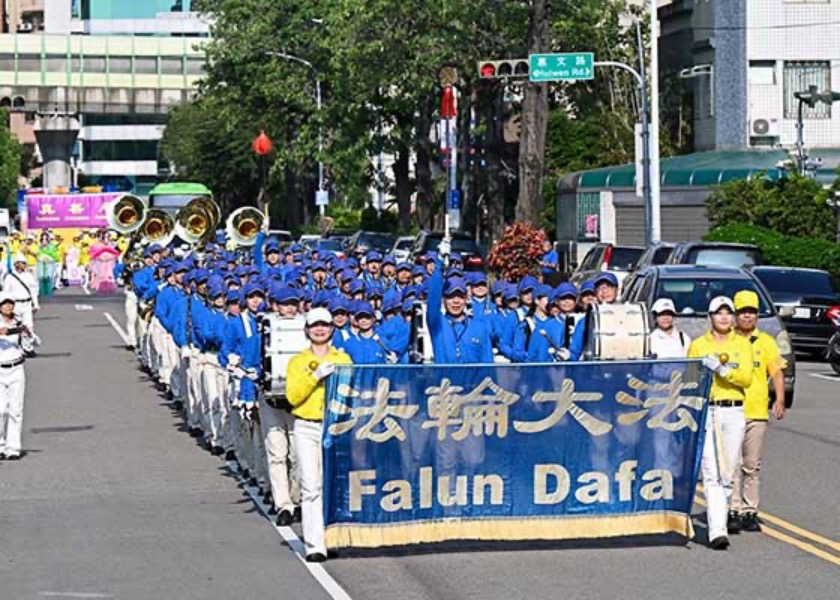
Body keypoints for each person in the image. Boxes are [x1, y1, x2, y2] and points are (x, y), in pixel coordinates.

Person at [688, 296, 754, 550]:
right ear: (710, 317)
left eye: (728, 313)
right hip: (709, 410)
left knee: (728, 472)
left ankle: (721, 518)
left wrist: (723, 371)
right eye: (719, 313)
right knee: (711, 473)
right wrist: (703, 371)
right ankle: (717, 531)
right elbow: (689, 378)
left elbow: (746, 378)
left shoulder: (742, 344)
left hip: (733, 411)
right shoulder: (698, 345)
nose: (724, 317)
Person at [286, 307, 352, 562]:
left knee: (331, 485)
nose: (320, 329)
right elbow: (293, 396)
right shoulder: (298, 362)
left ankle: (329, 537)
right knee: (311, 485)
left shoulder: (343, 359)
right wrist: (314, 376)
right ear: (307, 330)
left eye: (324, 325)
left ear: (332, 328)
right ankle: (315, 544)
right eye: (315, 326)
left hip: (335, 425)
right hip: (307, 425)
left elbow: (352, 390)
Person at [729, 289, 786, 533]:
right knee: (732, 464)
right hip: (731, 410)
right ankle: (732, 509)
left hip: (757, 411)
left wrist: (780, 398)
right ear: (735, 315)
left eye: (751, 312)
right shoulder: (727, 340)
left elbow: (776, 372)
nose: (747, 317)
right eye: (743, 312)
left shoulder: (766, 342)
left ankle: (750, 510)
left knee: (751, 464)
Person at [0, 293, 34, 460]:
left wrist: (27, 332)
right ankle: (0, 445)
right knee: (0, 410)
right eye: (5, 304)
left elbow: (35, 341)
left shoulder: (18, 321)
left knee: (15, 410)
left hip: (16, 368)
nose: (8, 307)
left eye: (10, 304)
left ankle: (13, 448)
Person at [3, 254, 39, 357]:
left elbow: (33, 290)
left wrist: (35, 303)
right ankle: (20, 348)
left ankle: (27, 347)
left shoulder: (28, 276)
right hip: (15, 305)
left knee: (29, 326)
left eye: (24, 263)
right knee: (17, 327)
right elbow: (6, 293)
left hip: (27, 304)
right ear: (16, 264)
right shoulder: (9, 277)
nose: (24, 265)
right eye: (22, 263)